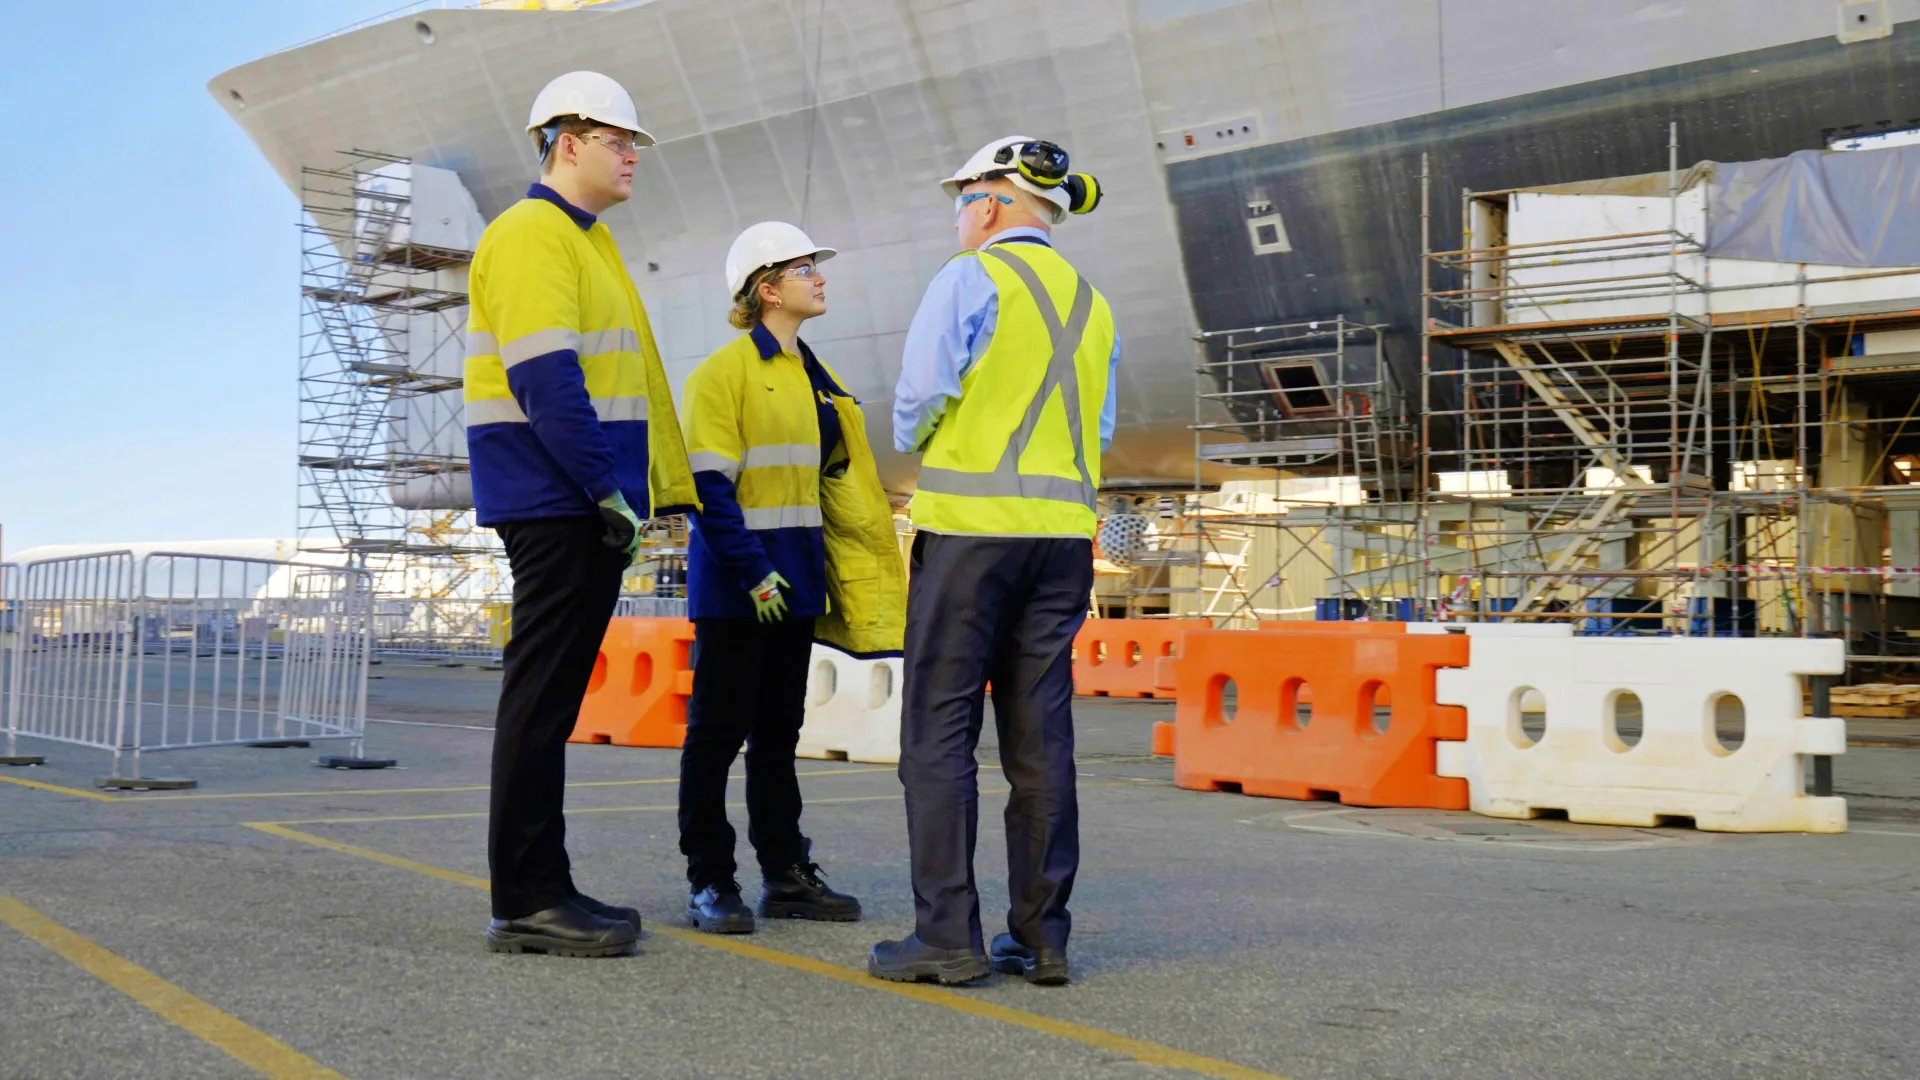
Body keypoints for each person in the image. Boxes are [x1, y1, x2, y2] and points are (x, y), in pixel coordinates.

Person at [870, 137, 1116, 987]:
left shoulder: (968, 277)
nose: (961, 212)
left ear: (995, 201)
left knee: (938, 734)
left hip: (970, 535)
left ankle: (947, 936)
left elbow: (919, 399)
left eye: (966, 195)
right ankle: (1043, 936)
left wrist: (931, 445)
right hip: (1060, 542)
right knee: (1040, 738)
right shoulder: (1093, 301)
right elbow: (1102, 428)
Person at [465, 71, 700, 958]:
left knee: (551, 700)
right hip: (558, 496)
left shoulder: (586, 242)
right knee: (539, 699)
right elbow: (545, 376)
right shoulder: (531, 233)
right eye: (617, 140)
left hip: (576, 496)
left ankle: (543, 886)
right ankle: (525, 897)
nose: (632, 154)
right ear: (566, 141)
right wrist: (604, 489)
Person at [677, 221, 905, 934]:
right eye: (806, 268)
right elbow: (709, 488)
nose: (820, 277)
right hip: (740, 589)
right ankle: (711, 880)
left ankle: (784, 873)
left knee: (778, 736)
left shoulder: (816, 377)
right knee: (715, 737)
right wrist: (752, 574)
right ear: (767, 289)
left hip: (798, 584)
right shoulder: (722, 374)